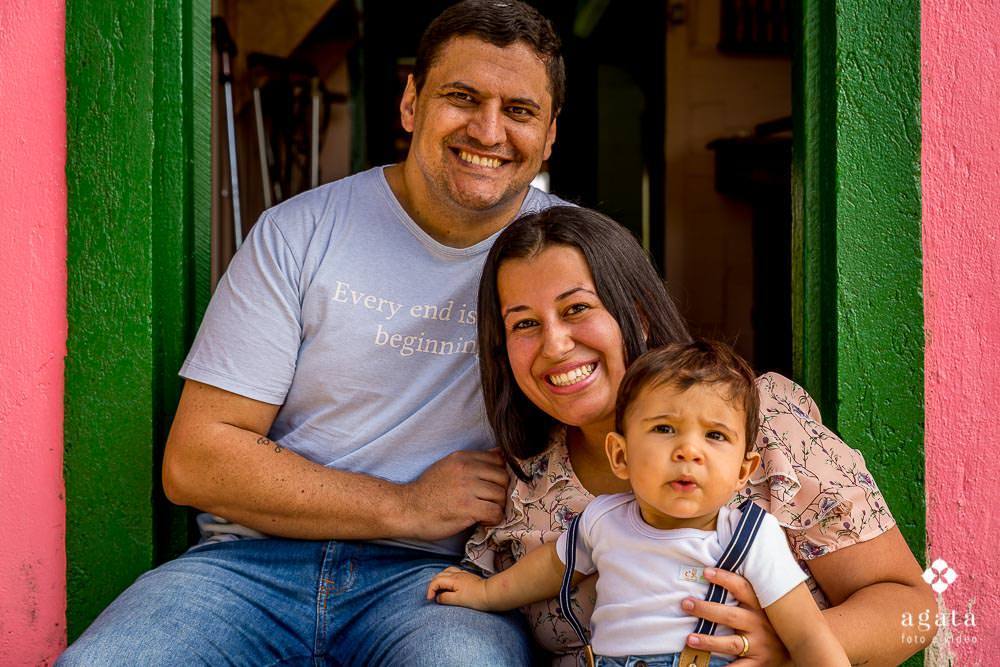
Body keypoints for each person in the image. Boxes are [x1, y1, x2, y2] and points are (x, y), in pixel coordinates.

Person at [58, 2, 567, 664]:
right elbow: (196, 459)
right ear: (410, 103)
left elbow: (647, 422)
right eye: (461, 98)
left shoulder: (573, 261)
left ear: (550, 134)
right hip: (248, 565)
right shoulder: (299, 232)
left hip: (441, 581)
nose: (488, 130)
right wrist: (407, 504)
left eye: (519, 110)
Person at [467, 206, 936, 665]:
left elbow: (914, 609)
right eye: (524, 323)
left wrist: (785, 646)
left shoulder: (763, 427)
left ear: (639, 316)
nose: (554, 345)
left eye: (577, 308)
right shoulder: (524, 483)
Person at [429, 341, 851, 667]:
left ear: (745, 470)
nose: (689, 451)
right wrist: (485, 593)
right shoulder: (602, 521)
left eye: (715, 436)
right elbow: (546, 570)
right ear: (621, 455)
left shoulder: (751, 535)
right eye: (665, 429)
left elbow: (808, 635)